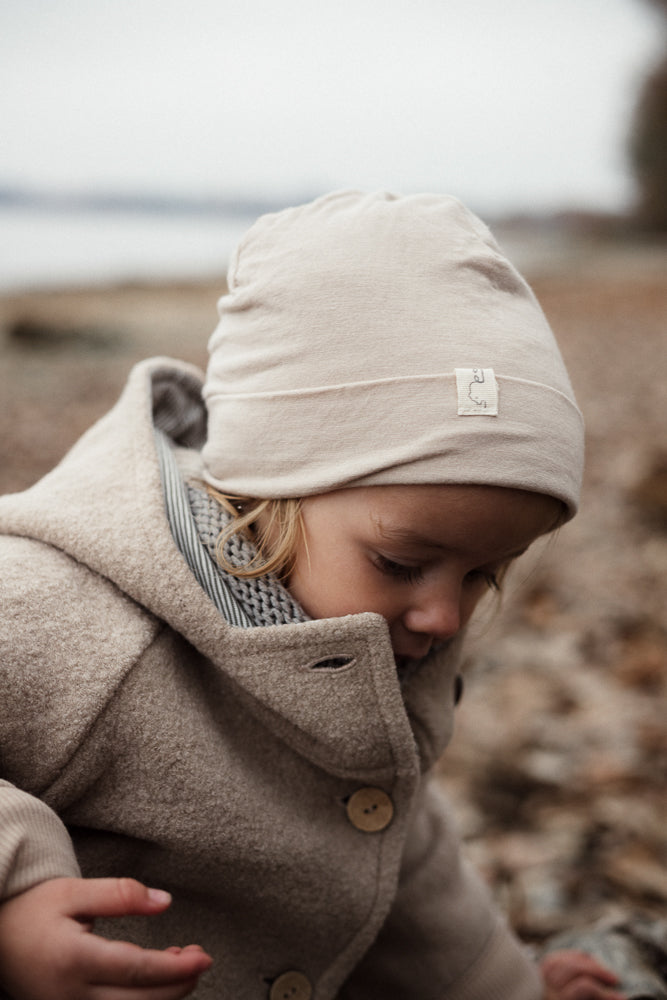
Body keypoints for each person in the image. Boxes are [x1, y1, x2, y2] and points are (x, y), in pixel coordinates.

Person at [0, 191, 625, 1000]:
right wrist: (13, 901)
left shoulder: (381, 644)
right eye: (403, 562)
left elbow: (394, 854)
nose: (444, 617)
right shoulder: (66, 613)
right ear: (270, 488)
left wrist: (508, 988)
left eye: (483, 575)